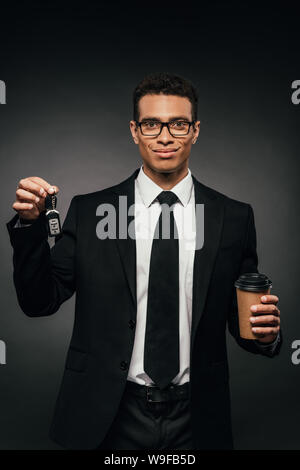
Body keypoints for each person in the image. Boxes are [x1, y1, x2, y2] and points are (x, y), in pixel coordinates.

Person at [6, 72, 282, 450]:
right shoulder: (91, 212)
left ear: (195, 130)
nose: (165, 137)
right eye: (152, 124)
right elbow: (39, 301)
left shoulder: (233, 217)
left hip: (198, 415)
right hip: (108, 413)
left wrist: (265, 335)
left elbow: (242, 320)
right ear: (135, 130)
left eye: (178, 124)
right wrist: (30, 226)